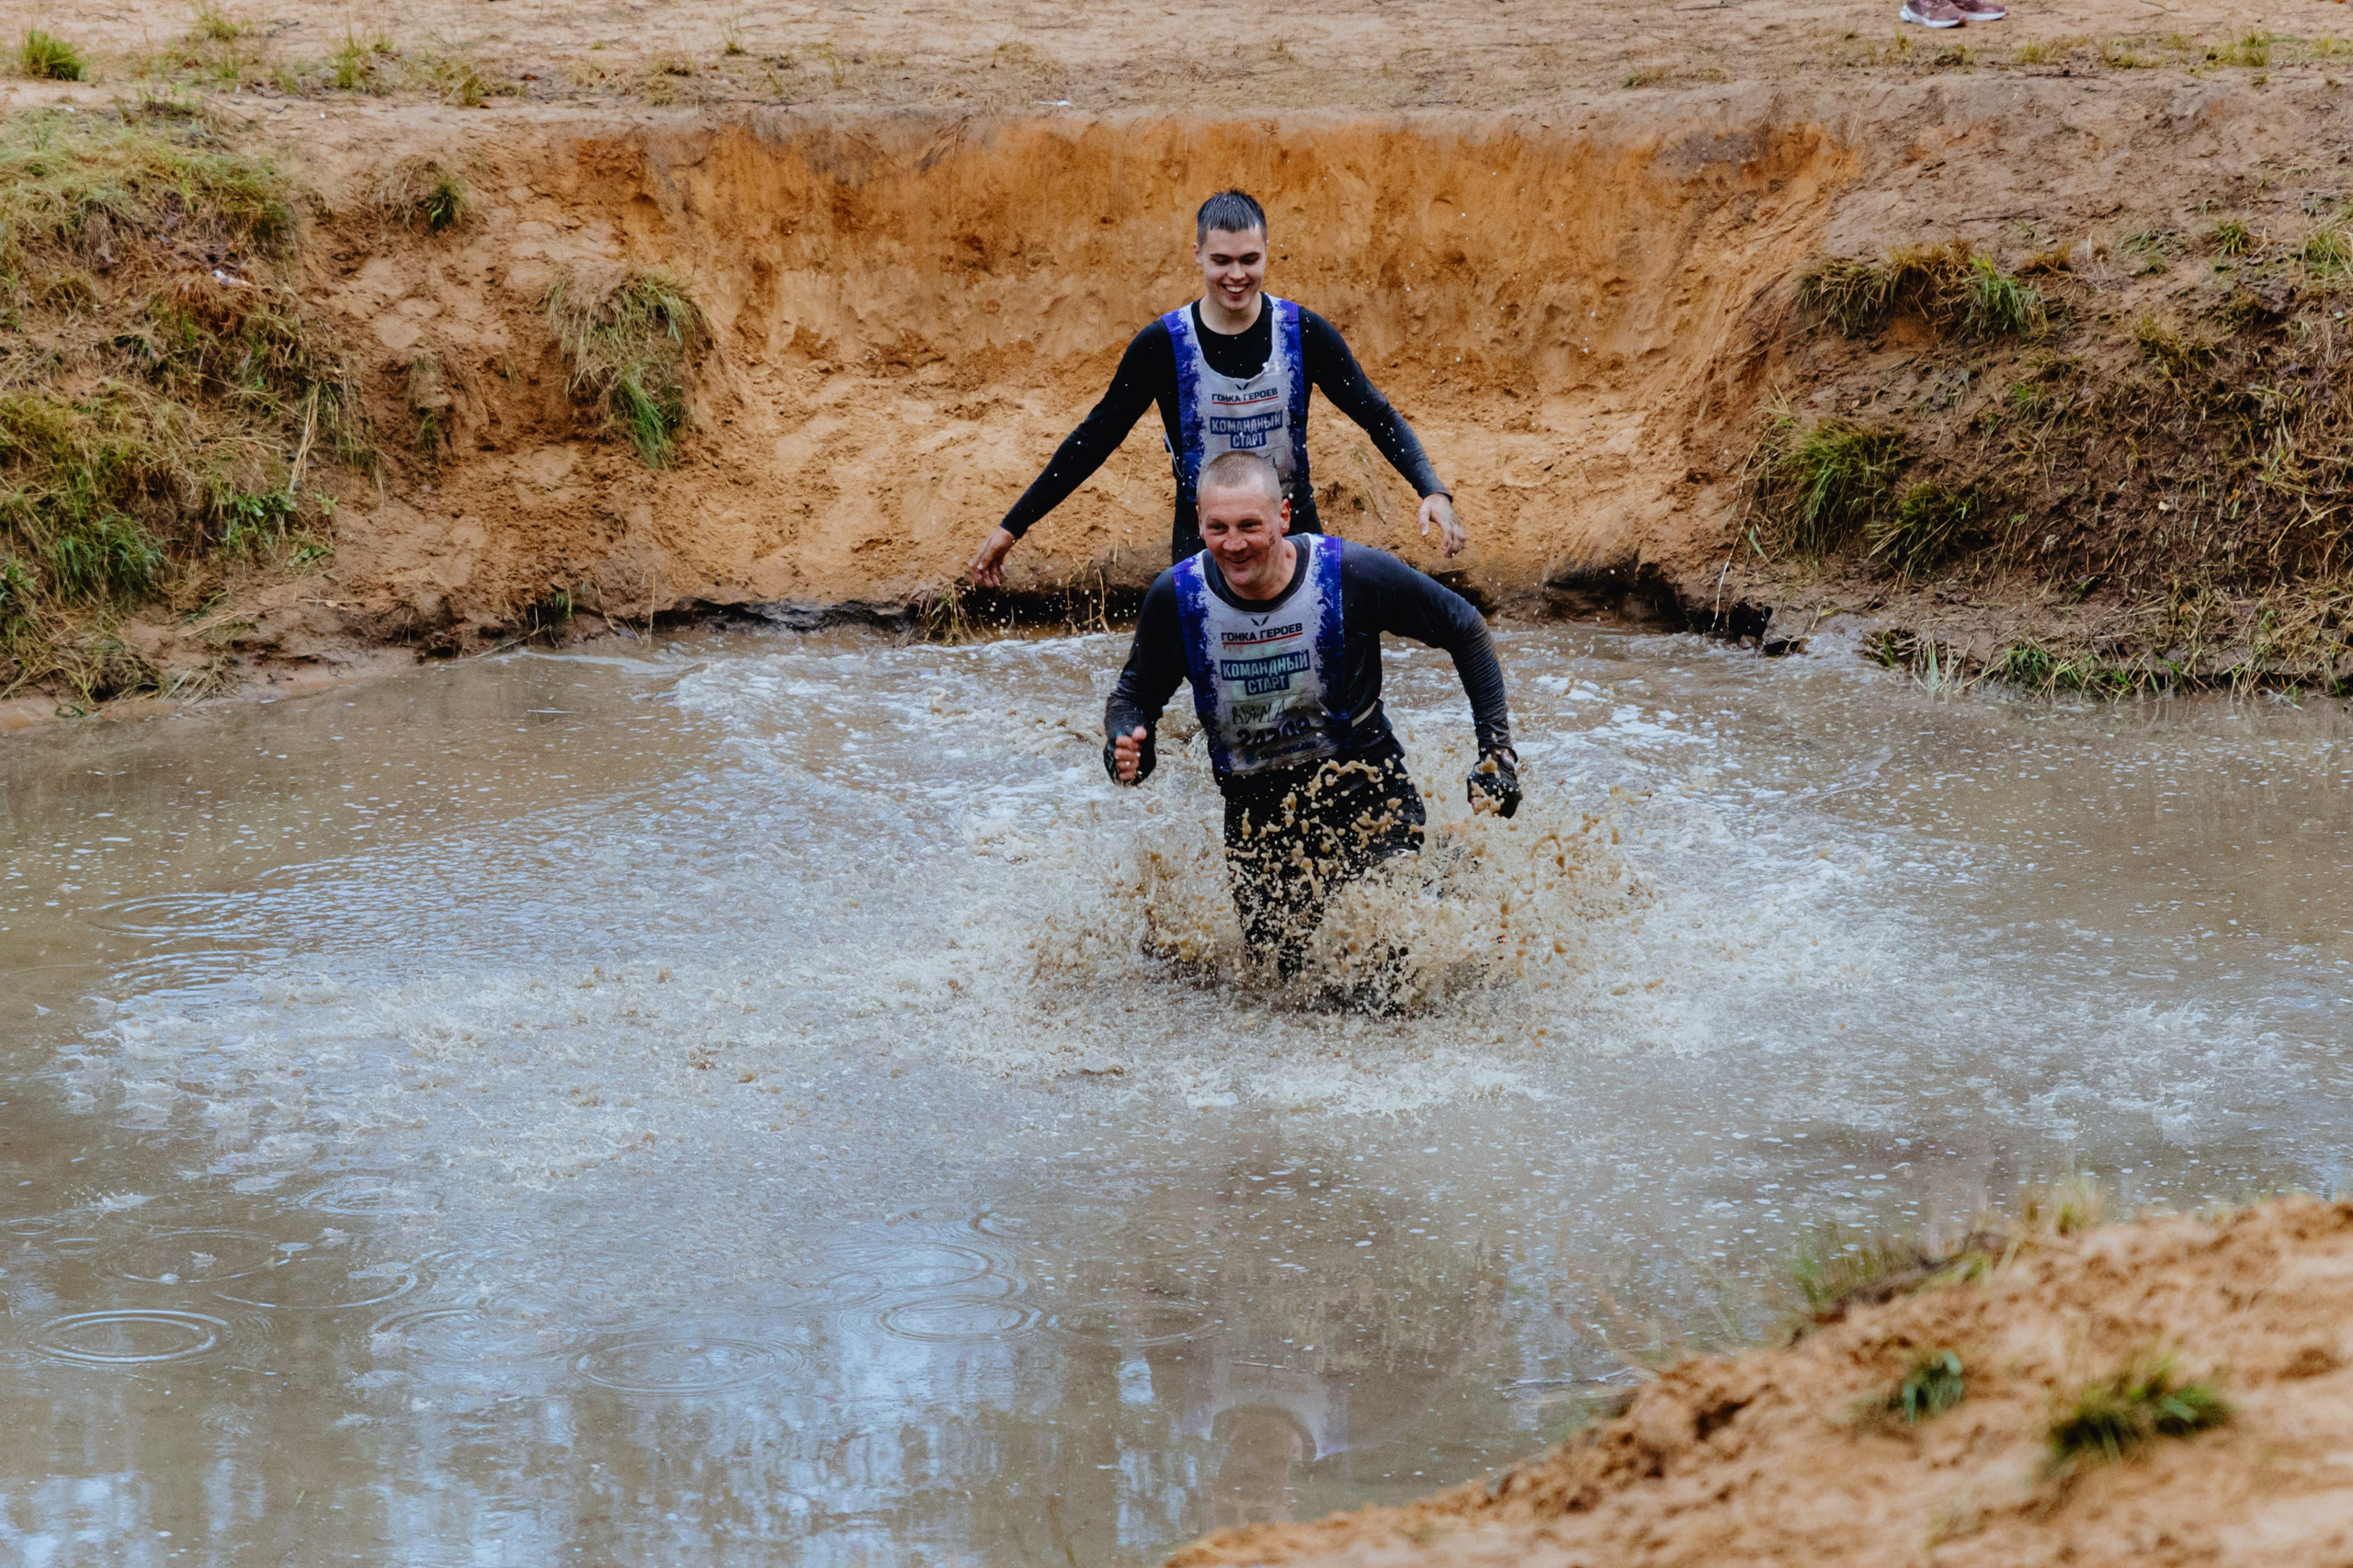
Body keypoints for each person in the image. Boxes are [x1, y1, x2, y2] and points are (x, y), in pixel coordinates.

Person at [1104, 448, 1518, 979]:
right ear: (1200, 522)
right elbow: (1135, 694)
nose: (1234, 545)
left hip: (1367, 791)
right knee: (1280, 981)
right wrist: (1128, 742)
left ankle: (1445, 889)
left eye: (1249, 526)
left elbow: (1464, 626)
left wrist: (1496, 751)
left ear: (1283, 516)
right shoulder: (1178, 598)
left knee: (1386, 963)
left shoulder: (1349, 574)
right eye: (1218, 528)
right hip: (1256, 817)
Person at [970, 189, 1464, 585]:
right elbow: (1095, 438)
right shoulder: (1162, 345)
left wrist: (1432, 489)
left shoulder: (1303, 332)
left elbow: (1375, 414)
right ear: (1198, 254)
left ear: (1267, 251)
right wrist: (1014, 525)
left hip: (1294, 535)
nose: (1236, 275)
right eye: (1221, 260)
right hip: (1202, 544)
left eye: (1249, 259)